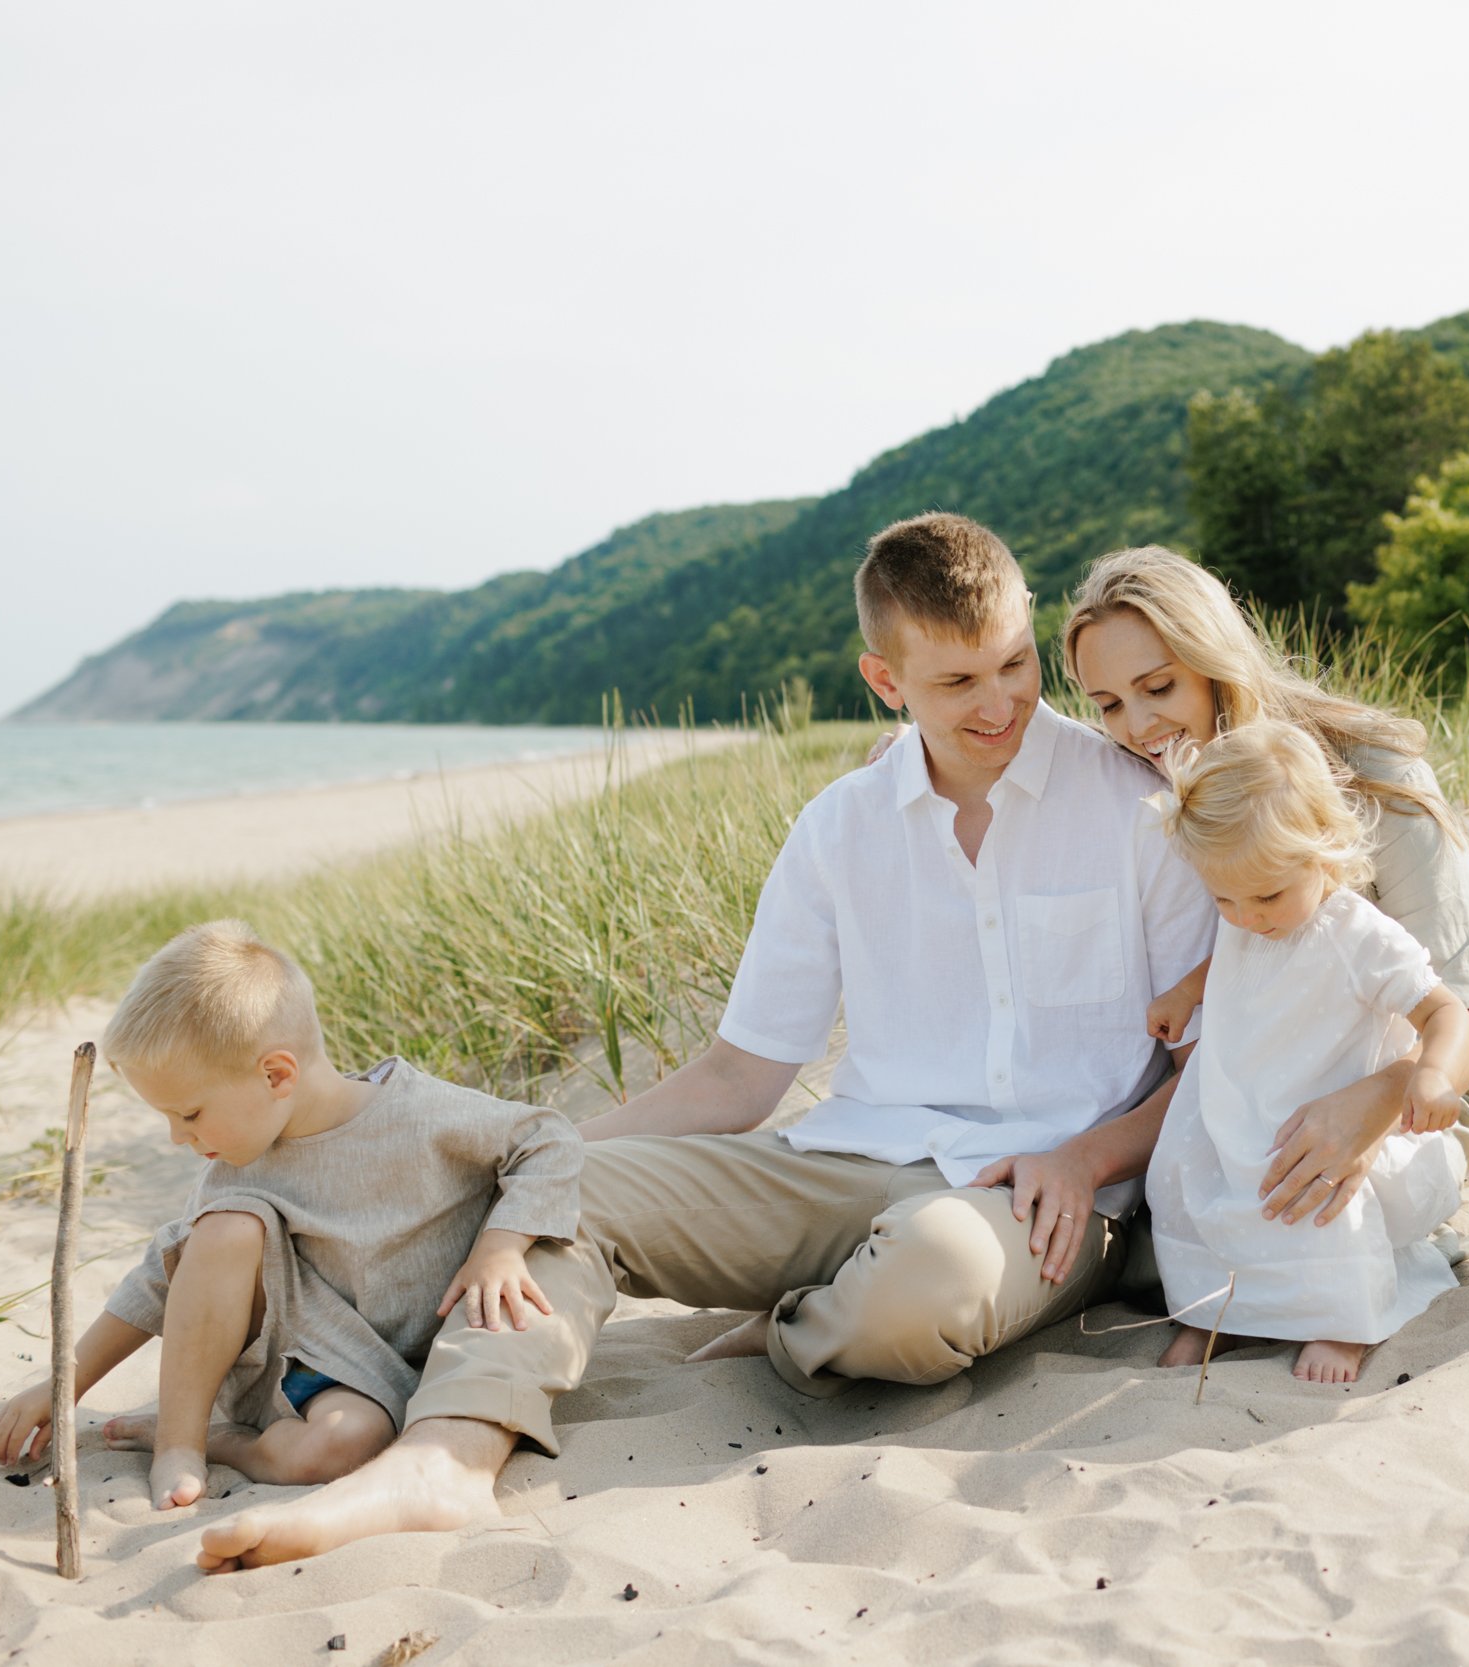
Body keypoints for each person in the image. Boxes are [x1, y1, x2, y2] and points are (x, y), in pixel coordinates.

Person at [188, 512, 1215, 1571]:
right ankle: (447, 1458)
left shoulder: (1138, 804)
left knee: (925, 1285)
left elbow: (1202, 1067)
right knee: (569, 1190)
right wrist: (547, 1152)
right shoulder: (839, 825)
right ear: (885, 680)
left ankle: (795, 1322)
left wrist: (1087, 1155)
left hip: (1043, 1194)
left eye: (1015, 663)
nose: (1000, 703)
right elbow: (740, 1072)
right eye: (957, 683)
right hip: (850, 1157)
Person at [0, 920, 581, 1509]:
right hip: (293, 1359)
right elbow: (162, 1277)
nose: (176, 1137)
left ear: (276, 1075)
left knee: (345, 1446)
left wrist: (500, 1247)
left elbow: (547, 1138)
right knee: (223, 1227)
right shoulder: (238, 1167)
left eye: (190, 1114)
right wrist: (63, 1384)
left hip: (380, 1379)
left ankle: (227, 1444)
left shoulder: (424, 1116)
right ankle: (178, 1440)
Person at [1062, 546, 1469, 1232]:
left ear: (1214, 665)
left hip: (1417, 1084)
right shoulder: (1150, 780)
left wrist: (1377, 1100)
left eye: (1159, 688)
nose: (1139, 726)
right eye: (1109, 704)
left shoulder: (1375, 773)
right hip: (1252, 1096)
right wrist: (913, 749)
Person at [1143, 722, 1469, 1383]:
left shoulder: (1358, 934)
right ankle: (1219, 1311)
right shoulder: (1247, 913)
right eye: (1223, 897)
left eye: (1266, 895)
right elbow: (1232, 957)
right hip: (1242, 1099)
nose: (1246, 915)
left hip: (1323, 1113)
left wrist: (1431, 1075)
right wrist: (1185, 991)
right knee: (1197, 1182)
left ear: (1326, 852)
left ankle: (1340, 1323)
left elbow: (1444, 1008)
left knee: (1316, 1203)